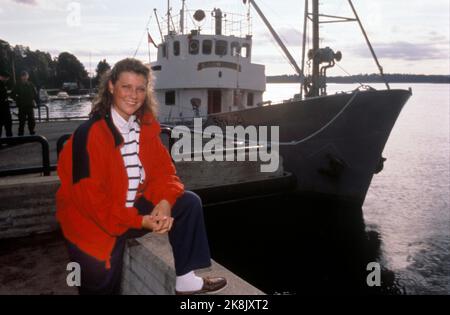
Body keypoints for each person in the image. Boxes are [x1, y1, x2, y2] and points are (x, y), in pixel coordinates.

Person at [56, 58, 227, 295]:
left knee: (188, 203)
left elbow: (165, 172)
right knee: (101, 281)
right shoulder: (89, 135)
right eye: (126, 87)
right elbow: (93, 204)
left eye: (140, 89)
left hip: (130, 211)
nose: (133, 95)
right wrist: (141, 222)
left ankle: (186, 281)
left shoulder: (144, 126)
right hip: (94, 222)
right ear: (111, 87)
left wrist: (165, 202)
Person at [11, 70, 38, 136]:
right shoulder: (17, 85)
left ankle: (32, 132)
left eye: (25, 75)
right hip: (21, 106)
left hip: (30, 105)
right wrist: (17, 99)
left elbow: (35, 94)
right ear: (21, 77)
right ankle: (20, 134)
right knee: (21, 122)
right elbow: (12, 94)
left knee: (31, 121)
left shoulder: (31, 84)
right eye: (23, 76)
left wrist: (37, 102)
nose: (24, 77)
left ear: (28, 76)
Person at [0, 70, 13, 139]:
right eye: (7, 78)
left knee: (8, 124)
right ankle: (10, 139)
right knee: (8, 124)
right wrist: (6, 100)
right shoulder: (2, 85)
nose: (7, 80)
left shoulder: (3, 85)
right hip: (3, 108)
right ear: (3, 77)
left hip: (4, 108)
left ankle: (9, 139)